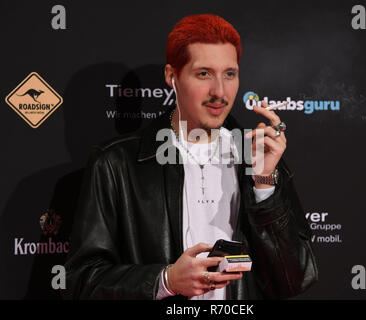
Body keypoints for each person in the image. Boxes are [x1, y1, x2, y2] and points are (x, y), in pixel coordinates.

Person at [63, 14, 318, 300]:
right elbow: (81, 282)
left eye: (229, 74)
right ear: (172, 77)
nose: (219, 91)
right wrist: (165, 280)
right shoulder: (115, 163)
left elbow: (294, 279)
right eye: (204, 74)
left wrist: (263, 183)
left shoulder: (259, 158)